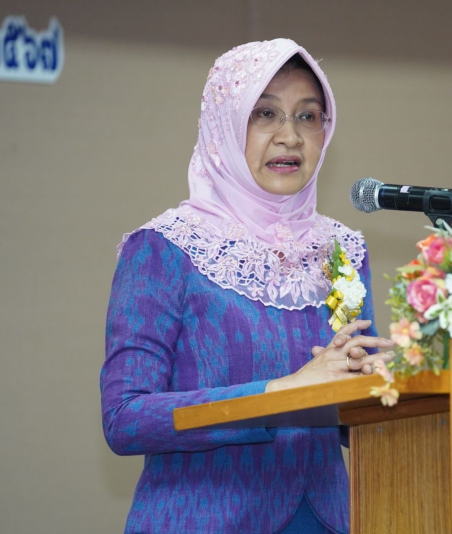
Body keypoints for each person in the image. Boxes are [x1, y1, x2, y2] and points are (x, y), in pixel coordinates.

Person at [100, 39, 394, 534]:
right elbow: (124, 418)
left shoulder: (343, 250)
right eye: (265, 114)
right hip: (205, 521)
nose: (290, 137)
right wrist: (280, 393)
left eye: (308, 116)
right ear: (225, 125)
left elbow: (348, 417)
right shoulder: (163, 248)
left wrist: (382, 386)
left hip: (325, 520)